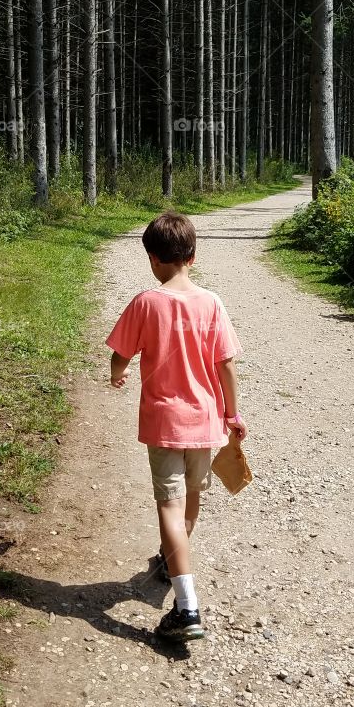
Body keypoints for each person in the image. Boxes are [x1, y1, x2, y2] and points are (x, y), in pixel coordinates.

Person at [106, 211, 247, 641]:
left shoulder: (146, 303)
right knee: (189, 500)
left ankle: (186, 607)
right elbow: (226, 366)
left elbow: (120, 353)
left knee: (166, 506)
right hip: (205, 424)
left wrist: (116, 374)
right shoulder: (212, 302)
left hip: (165, 423)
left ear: (153, 259)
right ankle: (173, 560)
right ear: (194, 256)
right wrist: (232, 415)